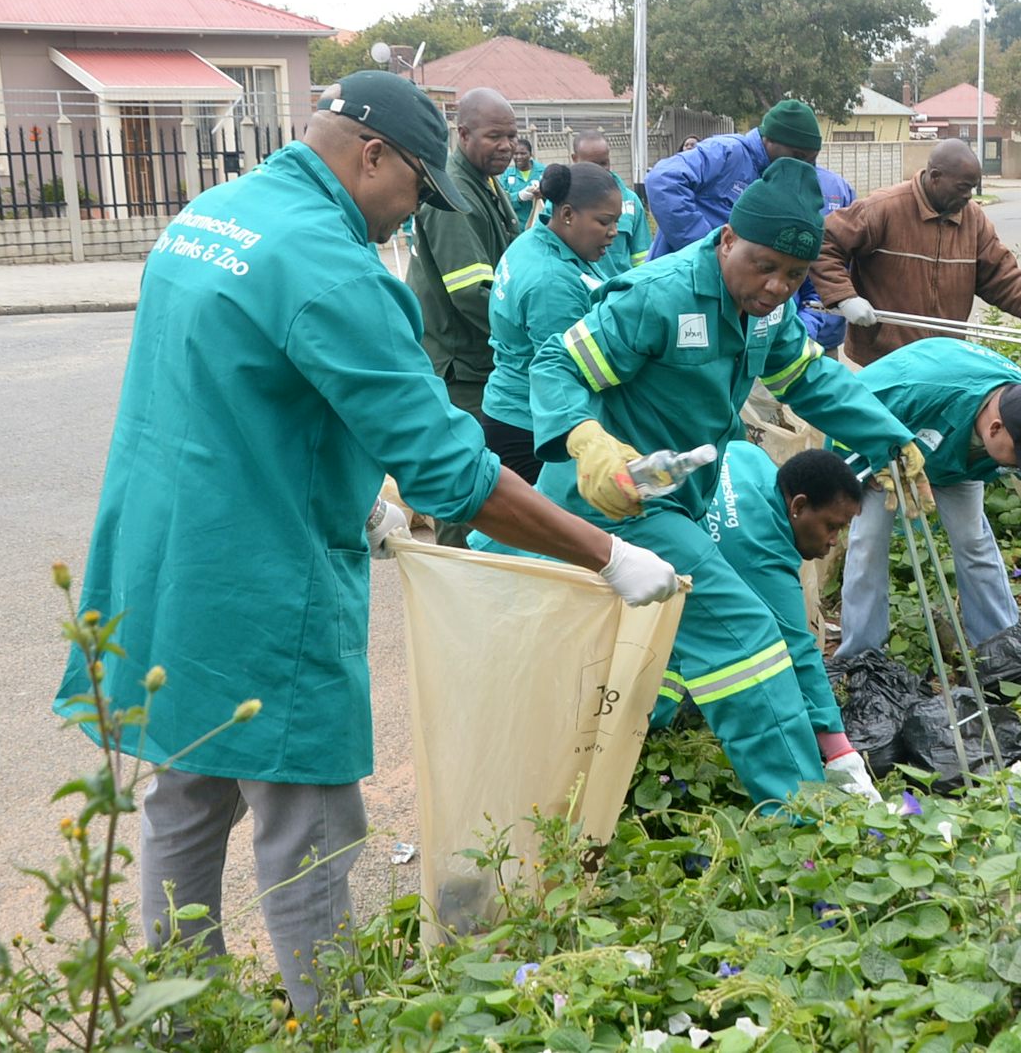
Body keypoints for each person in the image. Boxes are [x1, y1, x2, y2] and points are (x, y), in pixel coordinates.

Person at [52, 70, 679, 1015]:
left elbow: (242, 392)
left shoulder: (209, 215)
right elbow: (453, 476)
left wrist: (358, 498)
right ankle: (334, 1027)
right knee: (307, 824)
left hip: (161, 551)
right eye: (417, 190)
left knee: (186, 793)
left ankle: (181, 1024)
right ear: (373, 154)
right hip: (263, 573)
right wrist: (606, 554)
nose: (413, 215)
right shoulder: (334, 269)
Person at [476, 157, 925, 810]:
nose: (776, 287)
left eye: (794, 276)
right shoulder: (661, 295)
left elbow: (808, 379)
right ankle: (803, 815)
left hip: (678, 501)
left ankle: (592, 780)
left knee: (646, 650)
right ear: (726, 240)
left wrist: (891, 436)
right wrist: (586, 440)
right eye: (764, 266)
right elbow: (557, 364)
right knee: (743, 636)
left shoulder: (765, 312)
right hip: (613, 499)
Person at [835, 337, 1021, 669]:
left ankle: (1000, 648)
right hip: (891, 438)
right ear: (995, 428)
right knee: (868, 541)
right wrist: (862, 470)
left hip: (957, 460)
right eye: (1020, 458)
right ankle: (859, 658)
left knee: (973, 542)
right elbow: (842, 410)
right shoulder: (917, 388)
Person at [698, 443, 877, 800]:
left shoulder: (749, 457)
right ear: (798, 506)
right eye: (831, 526)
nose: (834, 541)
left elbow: (732, 441)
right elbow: (799, 652)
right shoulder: (760, 554)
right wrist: (840, 752)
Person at [811, 138, 1021, 367]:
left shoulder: (973, 220)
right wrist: (845, 297)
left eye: (973, 188)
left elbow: (1004, 278)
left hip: (945, 359)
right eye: (963, 188)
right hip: (885, 358)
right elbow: (824, 242)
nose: (969, 196)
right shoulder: (884, 208)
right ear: (935, 177)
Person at [405, 88, 522, 546]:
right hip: (460, 366)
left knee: (488, 479)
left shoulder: (484, 183)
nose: (507, 146)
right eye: (495, 136)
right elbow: (472, 293)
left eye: (512, 136)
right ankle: (458, 570)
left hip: (479, 361)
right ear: (464, 134)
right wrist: (525, 339)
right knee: (464, 480)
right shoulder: (454, 194)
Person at [643, 99, 854, 346]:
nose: (803, 166)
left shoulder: (792, 185)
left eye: (811, 160)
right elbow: (663, 181)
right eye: (797, 156)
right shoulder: (727, 152)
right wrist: (709, 252)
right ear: (769, 140)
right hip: (682, 294)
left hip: (741, 309)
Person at [481, 162, 627, 483]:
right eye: (604, 222)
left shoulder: (535, 241)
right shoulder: (552, 283)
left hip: (510, 409)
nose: (614, 232)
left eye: (617, 221)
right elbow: (568, 371)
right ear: (568, 214)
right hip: (532, 429)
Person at [568, 130, 652, 279]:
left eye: (604, 163)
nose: (599, 170)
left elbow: (642, 257)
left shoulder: (630, 201)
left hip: (620, 289)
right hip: (580, 288)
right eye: (591, 164)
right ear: (575, 159)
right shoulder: (562, 201)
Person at [498, 135, 544, 230]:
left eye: (523, 153)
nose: (519, 157)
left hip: (539, 226)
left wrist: (543, 194)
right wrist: (518, 196)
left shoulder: (543, 171)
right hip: (517, 227)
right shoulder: (507, 175)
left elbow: (555, 197)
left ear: (530, 154)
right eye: (515, 154)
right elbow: (500, 200)